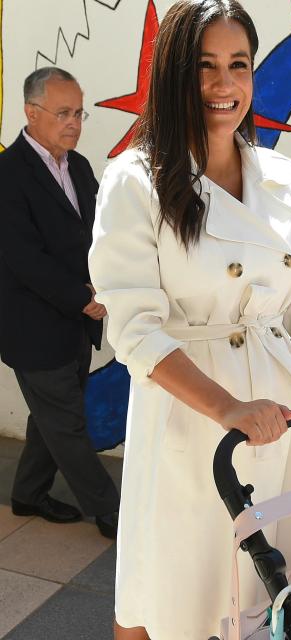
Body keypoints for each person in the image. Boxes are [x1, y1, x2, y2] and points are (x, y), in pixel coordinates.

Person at [87, 2, 291, 638]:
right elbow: (135, 328)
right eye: (206, 67)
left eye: (239, 65)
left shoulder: (282, 177)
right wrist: (226, 409)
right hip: (191, 417)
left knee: (265, 588)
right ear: (174, 75)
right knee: (176, 586)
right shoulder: (135, 179)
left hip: (274, 417)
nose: (226, 86)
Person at [0, 67, 120, 539]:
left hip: (76, 322)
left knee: (50, 416)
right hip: (34, 326)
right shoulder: (8, 175)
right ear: (32, 113)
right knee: (67, 423)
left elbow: (97, 238)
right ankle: (112, 512)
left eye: (79, 113)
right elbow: (24, 258)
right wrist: (83, 299)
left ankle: (28, 493)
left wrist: (107, 286)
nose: (74, 123)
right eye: (63, 113)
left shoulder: (81, 167)